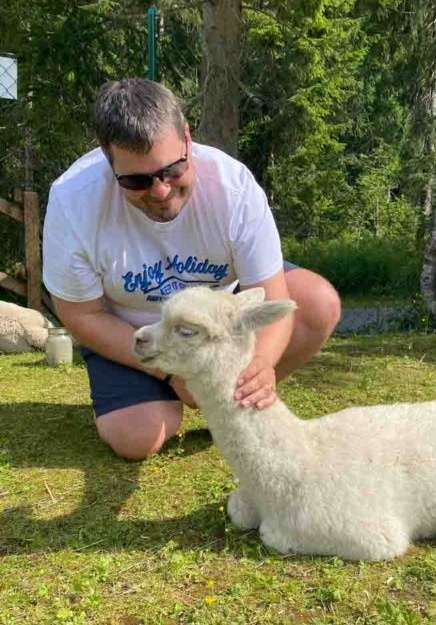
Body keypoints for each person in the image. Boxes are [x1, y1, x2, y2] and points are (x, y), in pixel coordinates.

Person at [42, 78, 341, 460]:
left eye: (172, 169)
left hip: (215, 319)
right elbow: (81, 315)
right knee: (136, 438)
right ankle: (174, 395)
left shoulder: (233, 187)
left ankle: (229, 405)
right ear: (107, 160)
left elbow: (273, 298)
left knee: (317, 304)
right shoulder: (73, 200)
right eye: (137, 181)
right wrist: (169, 371)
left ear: (186, 136)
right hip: (133, 332)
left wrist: (262, 364)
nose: (161, 191)